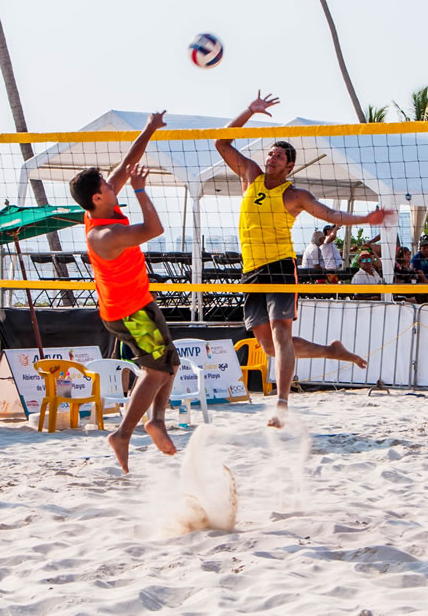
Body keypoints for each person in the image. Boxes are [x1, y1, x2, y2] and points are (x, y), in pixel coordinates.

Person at [215, 92, 382, 427]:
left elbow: (332, 213)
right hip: (251, 271)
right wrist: (250, 110)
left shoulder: (295, 195)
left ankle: (281, 403)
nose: (272, 158)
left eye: (279, 156)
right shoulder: (250, 175)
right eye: (270, 153)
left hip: (278, 266)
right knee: (273, 347)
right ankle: (331, 350)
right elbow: (221, 142)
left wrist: (366, 219)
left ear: (289, 165)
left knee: (280, 334)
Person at [70, 110, 182, 473]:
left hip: (132, 304)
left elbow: (127, 160)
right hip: (129, 309)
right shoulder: (105, 235)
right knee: (155, 372)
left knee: (169, 364)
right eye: (106, 183)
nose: (110, 182)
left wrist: (149, 129)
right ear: (97, 197)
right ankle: (124, 433)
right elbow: (154, 228)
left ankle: (157, 421)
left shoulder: (102, 205)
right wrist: (140, 190)